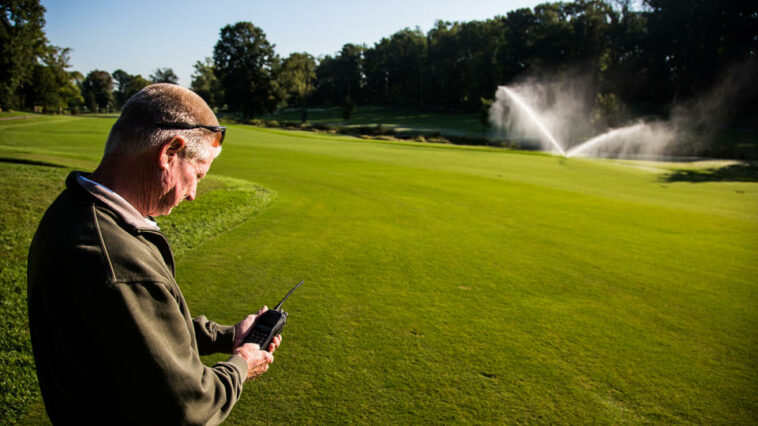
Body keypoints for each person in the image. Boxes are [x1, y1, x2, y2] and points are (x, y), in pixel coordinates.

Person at [27, 83, 281, 424]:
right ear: (169, 153)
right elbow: (191, 405)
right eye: (197, 176)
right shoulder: (117, 260)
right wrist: (243, 363)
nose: (193, 194)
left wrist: (225, 336)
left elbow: (134, 329)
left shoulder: (72, 208)